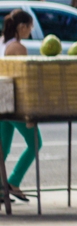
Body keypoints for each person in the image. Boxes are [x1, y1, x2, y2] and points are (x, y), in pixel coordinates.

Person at [0, 10, 40, 202]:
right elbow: (23, 82)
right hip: (14, 103)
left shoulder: (2, 42)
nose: (30, 31)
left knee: (3, 148)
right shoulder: (17, 48)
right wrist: (29, 111)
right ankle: (13, 182)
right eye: (30, 27)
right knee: (35, 142)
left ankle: (1, 188)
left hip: (2, 101)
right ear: (22, 27)